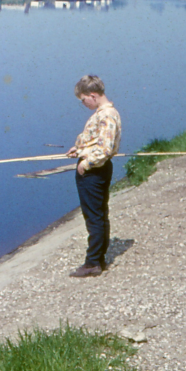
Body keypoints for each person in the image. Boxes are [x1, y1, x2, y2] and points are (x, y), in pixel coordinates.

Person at [67, 75, 121, 278]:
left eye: (83, 100)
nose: (83, 104)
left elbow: (105, 149)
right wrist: (79, 148)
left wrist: (86, 163)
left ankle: (92, 263)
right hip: (97, 168)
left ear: (93, 95)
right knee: (98, 214)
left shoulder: (106, 115)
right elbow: (96, 140)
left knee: (94, 216)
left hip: (94, 171)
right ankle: (98, 259)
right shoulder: (105, 113)